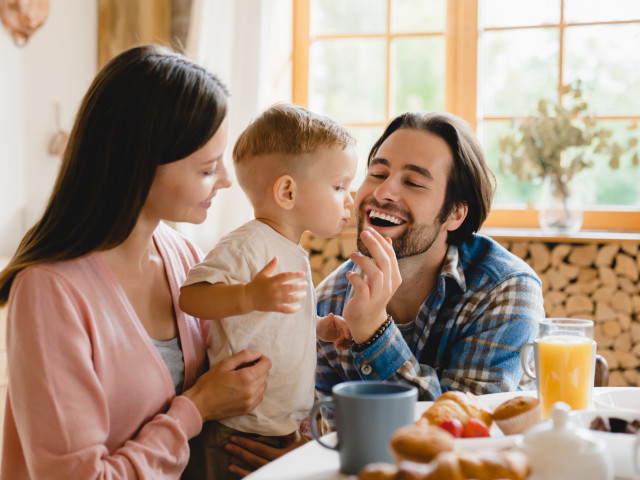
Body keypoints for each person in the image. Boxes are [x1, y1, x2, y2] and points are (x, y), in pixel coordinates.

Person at [0, 44, 272, 479]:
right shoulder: (49, 291)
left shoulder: (185, 258)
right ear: (139, 166)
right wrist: (195, 409)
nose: (224, 181)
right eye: (207, 169)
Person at [314, 111, 545, 430]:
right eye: (378, 174)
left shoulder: (505, 290)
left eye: (413, 182)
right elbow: (330, 434)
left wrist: (374, 334)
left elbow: (466, 431)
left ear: (455, 214)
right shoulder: (328, 301)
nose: (382, 193)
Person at [178, 103, 357, 480]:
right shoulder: (249, 245)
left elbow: (273, 322)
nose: (350, 199)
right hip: (235, 431)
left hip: (280, 426)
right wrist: (248, 296)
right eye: (339, 186)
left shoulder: (291, 250)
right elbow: (191, 297)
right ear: (288, 191)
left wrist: (318, 326)